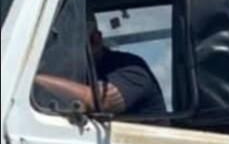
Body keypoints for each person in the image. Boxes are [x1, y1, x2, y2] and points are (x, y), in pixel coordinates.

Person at [34, 16, 167, 117]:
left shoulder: (131, 67)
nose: (54, 51)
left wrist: (33, 79)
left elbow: (100, 101)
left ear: (95, 40)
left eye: (64, 42)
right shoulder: (68, 73)